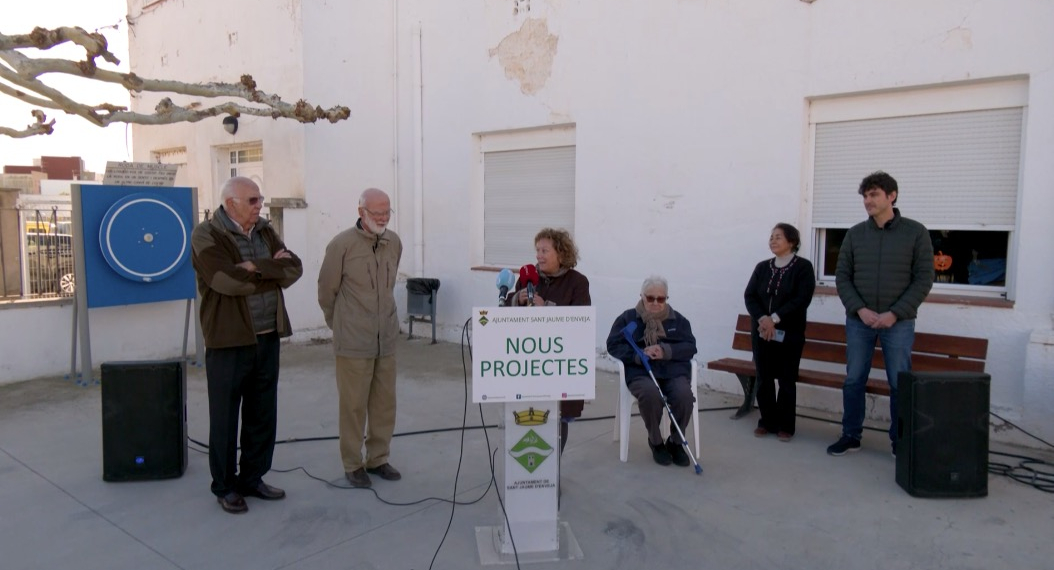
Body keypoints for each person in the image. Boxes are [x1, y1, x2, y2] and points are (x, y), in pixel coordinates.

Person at [191, 176, 304, 514]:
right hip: (229, 340)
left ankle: (252, 477)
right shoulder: (206, 234)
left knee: (262, 413)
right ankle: (225, 486)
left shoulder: (265, 231)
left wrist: (254, 266)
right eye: (253, 200)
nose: (259, 206)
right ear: (231, 204)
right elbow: (223, 281)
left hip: (267, 335)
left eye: (260, 199)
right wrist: (270, 271)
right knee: (225, 416)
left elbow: (294, 268)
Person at [828, 171, 934, 456]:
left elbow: (923, 279)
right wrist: (859, 309)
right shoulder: (855, 234)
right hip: (860, 321)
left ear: (892, 196)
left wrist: (895, 314)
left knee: (900, 383)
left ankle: (900, 441)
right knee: (853, 380)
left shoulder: (915, 232)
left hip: (897, 323)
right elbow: (842, 277)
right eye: (865, 195)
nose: (867, 201)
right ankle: (851, 435)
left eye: (873, 194)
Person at [317, 188, 404, 488]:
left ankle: (378, 458)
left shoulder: (394, 243)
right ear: (361, 212)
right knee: (353, 405)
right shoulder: (341, 245)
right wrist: (339, 324)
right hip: (353, 339)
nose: (382, 218)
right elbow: (326, 291)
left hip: (386, 337)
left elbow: (389, 285)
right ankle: (353, 464)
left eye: (387, 212)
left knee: (384, 402)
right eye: (376, 213)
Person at [509, 227, 590, 451]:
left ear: (561, 254)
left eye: (545, 250)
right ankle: (527, 472)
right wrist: (518, 299)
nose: (539, 256)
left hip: (558, 361)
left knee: (556, 416)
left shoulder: (578, 282)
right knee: (527, 414)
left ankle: (553, 472)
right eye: (537, 250)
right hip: (527, 359)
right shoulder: (528, 277)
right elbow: (507, 308)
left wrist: (547, 307)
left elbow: (581, 318)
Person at [606, 276, 698, 466]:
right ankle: (656, 442)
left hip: (672, 372)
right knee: (650, 395)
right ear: (641, 296)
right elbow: (613, 344)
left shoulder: (678, 321)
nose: (656, 303)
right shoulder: (628, 318)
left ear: (666, 299)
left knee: (684, 396)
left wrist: (665, 351)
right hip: (641, 372)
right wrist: (637, 355)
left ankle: (675, 441)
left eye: (661, 299)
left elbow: (690, 346)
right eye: (650, 298)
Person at [744, 223, 816, 442]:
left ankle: (786, 425)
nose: (773, 241)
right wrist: (763, 319)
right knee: (764, 378)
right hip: (762, 331)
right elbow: (750, 296)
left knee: (786, 379)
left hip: (789, 333)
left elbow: (801, 299)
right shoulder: (762, 267)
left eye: (778, 237)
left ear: (792, 241)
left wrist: (775, 319)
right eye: (771, 237)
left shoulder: (803, 267)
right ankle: (766, 421)